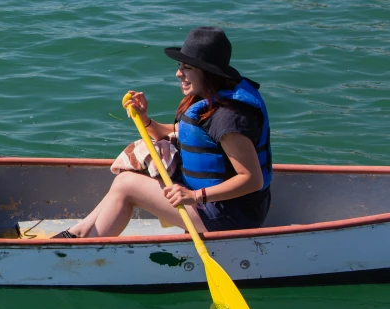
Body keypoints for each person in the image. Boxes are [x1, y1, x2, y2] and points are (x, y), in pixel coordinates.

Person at [55, 26, 272, 238]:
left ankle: (85, 246)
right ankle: (79, 233)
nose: (179, 73)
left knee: (128, 185)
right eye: (180, 65)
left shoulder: (228, 117)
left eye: (187, 68)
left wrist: (195, 196)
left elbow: (252, 179)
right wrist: (146, 120)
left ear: (208, 72)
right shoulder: (210, 101)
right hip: (213, 206)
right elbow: (184, 133)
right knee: (130, 176)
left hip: (231, 216)